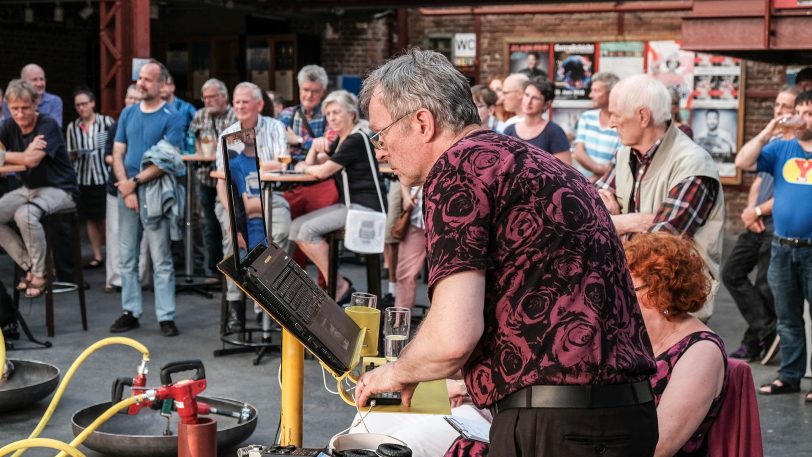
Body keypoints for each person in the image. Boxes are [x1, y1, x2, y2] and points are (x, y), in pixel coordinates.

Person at [356, 49, 657, 456]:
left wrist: (395, 372)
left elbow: (452, 338)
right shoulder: (539, 162)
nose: (381, 150)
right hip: (628, 412)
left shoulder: (456, 170)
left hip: (555, 423)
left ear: (422, 123)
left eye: (381, 134)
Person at [597, 74, 724, 322]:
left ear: (643, 116)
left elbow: (657, 249)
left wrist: (608, 223)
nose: (610, 123)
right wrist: (628, 222)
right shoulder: (626, 154)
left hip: (673, 306)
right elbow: (588, 206)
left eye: (616, 115)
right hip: (633, 297)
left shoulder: (693, 165)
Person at [734, 89, 812, 402]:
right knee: (788, 317)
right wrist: (768, 131)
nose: (803, 118)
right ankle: (790, 377)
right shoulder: (782, 147)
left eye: (810, 112)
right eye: (802, 111)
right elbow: (743, 160)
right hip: (782, 247)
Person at [625, 232, 728, 457]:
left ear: (661, 291)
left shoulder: (701, 351)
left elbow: (659, 446)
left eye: (630, 289)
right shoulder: (635, 335)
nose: (620, 296)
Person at [723, 85, 800, 362]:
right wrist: (748, 211)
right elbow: (755, 176)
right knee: (731, 274)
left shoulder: (800, 145)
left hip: (775, 224)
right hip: (755, 221)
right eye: (777, 105)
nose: (780, 111)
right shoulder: (771, 142)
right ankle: (767, 332)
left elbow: (790, 190)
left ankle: (754, 343)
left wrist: (757, 210)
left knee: (765, 285)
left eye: (786, 107)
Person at [109, 60, 184, 337]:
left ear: (162, 85)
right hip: (127, 190)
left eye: (148, 80)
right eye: (140, 78)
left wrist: (134, 183)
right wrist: (126, 188)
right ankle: (130, 311)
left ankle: (166, 316)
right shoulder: (128, 113)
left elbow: (167, 161)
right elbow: (118, 153)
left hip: (154, 193)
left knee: (160, 258)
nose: (141, 83)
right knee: (127, 256)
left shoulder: (172, 116)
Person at [290, 90, 385, 303]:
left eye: (336, 113)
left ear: (351, 114)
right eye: (328, 114)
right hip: (349, 205)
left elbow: (322, 172)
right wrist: (314, 149)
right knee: (296, 227)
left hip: (365, 207)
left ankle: (338, 284)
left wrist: (303, 166)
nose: (331, 118)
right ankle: (337, 281)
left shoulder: (355, 139)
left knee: (307, 231)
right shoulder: (342, 140)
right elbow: (320, 161)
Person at [215, 81, 291, 331]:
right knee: (233, 241)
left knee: (278, 234)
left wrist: (245, 165)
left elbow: (281, 163)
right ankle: (235, 305)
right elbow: (221, 180)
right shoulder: (228, 134)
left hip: (269, 196)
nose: (239, 106)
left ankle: (266, 304)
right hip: (234, 200)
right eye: (236, 102)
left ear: (258, 104)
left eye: (244, 101)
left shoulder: (275, 126)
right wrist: (231, 216)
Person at [0, 79, 78, 299]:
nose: (20, 114)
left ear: (35, 104)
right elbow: (25, 158)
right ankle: (30, 266)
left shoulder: (48, 124)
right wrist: (21, 155)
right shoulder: (7, 125)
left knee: (24, 214)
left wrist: (6, 157)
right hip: (30, 188)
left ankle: (41, 274)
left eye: (25, 108)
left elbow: (32, 160)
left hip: (61, 189)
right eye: (14, 108)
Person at [279, 65, 339, 283]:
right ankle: (298, 289)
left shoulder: (329, 113)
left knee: (322, 237)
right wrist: (311, 147)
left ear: (322, 91)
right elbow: (280, 149)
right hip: (293, 184)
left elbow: (329, 148)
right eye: (305, 90)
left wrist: (298, 141)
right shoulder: (287, 114)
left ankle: (327, 289)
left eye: (314, 91)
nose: (309, 95)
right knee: (291, 238)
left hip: (321, 182)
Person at [104, 84, 150, 293]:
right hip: (117, 187)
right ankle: (116, 279)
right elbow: (107, 155)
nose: (131, 102)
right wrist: (120, 160)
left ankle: (138, 279)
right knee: (115, 234)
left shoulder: (147, 124)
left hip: (144, 187)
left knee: (142, 238)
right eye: (129, 98)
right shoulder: (116, 125)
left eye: (136, 98)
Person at [188, 78, 237, 275]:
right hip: (205, 176)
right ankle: (213, 270)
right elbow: (193, 137)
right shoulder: (200, 115)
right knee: (209, 225)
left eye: (212, 97)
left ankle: (231, 270)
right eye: (205, 97)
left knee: (227, 223)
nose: (208, 101)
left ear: (224, 96)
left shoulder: (235, 116)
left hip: (228, 179)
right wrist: (200, 149)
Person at [66, 87, 115, 269]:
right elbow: (70, 155)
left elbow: (114, 146)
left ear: (92, 103)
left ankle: (111, 252)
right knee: (90, 218)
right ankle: (97, 255)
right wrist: (74, 155)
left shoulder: (106, 122)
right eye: (78, 105)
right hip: (84, 178)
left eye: (84, 104)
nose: (81, 108)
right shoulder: (72, 127)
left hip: (104, 176)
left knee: (106, 218)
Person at [503, 78, 571, 164]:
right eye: (527, 95)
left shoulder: (554, 132)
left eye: (535, 98)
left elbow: (566, 171)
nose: (528, 101)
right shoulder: (509, 130)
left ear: (546, 103)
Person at [572, 72, 621, 180]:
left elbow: (617, 165)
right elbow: (579, 153)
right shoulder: (587, 117)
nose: (590, 95)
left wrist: (592, 182)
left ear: (611, 93)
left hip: (607, 189)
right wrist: (599, 171)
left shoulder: (621, 124)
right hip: (581, 184)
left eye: (596, 91)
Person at [393, 184, 426, 310]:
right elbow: (404, 176)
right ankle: (400, 323)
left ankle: (440, 323)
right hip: (417, 220)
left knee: (447, 278)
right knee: (405, 274)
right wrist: (406, 197)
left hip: (448, 223)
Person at [160, 74, 197, 154]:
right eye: (160, 84)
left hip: (183, 156)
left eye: (165, 84)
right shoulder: (155, 110)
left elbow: (198, 133)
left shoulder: (187, 108)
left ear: (173, 87)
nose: (162, 88)